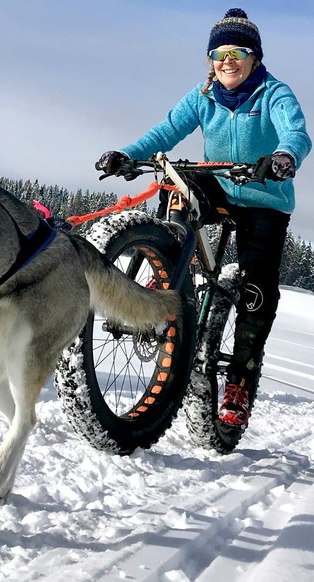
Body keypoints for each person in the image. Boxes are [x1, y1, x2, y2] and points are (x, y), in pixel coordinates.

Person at [95, 8, 311, 428]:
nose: (227, 60)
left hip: (265, 195)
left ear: (254, 58)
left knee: (256, 289)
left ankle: (239, 386)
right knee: (177, 181)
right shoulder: (203, 95)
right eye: (218, 53)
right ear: (211, 60)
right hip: (219, 184)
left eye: (237, 51)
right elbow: (166, 131)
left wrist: (285, 157)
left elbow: (296, 133)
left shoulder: (274, 94)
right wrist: (129, 155)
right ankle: (168, 270)